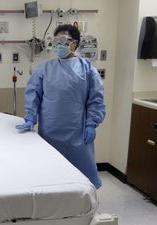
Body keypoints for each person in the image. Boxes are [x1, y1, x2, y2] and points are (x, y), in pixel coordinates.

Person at [15, 24, 105, 189]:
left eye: (64, 40)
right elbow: (33, 95)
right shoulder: (44, 68)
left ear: (75, 43)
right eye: (56, 41)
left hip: (77, 132)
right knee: (52, 174)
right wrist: (30, 117)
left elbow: (96, 99)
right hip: (50, 131)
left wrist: (92, 124)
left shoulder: (87, 69)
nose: (59, 45)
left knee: (81, 176)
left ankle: (83, 207)